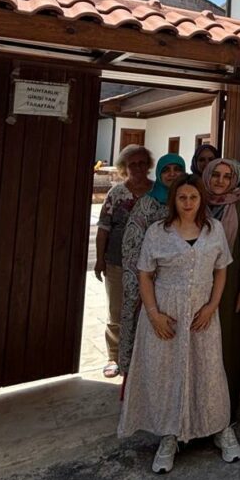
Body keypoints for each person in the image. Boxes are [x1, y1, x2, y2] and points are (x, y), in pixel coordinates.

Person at [118, 176, 236, 473]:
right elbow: (145, 273)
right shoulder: (158, 232)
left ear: (201, 200)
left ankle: (219, 427)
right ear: (174, 201)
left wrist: (212, 306)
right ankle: (169, 435)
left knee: (207, 370)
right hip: (166, 313)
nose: (187, 203)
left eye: (193, 197)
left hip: (201, 314)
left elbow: (221, 270)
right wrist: (154, 313)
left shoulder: (214, 230)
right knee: (167, 373)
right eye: (182, 197)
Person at [200, 158, 240, 438]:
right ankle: (197, 412)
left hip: (231, 290)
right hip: (196, 289)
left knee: (228, 351)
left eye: (227, 176)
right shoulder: (195, 205)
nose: (221, 181)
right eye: (216, 175)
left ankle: (225, 416)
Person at [118, 153, 186, 376]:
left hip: (177, 286)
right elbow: (131, 245)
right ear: (159, 173)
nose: (172, 174)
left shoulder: (187, 200)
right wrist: (136, 282)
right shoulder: (147, 204)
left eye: (177, 169)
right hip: (147, 283)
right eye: (167, 170)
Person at [94, 145, 152, 378]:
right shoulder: (116, 193)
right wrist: (100, 260)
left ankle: (139, 355)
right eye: (132, 164)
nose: (137, 168)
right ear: (124, 168)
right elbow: (103, 228)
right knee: (116, 310)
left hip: (149, 264)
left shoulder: (158, 191)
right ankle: (114, 357)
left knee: (145, 310)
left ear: (148, 165)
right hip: (116, 261)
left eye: (141, 163)